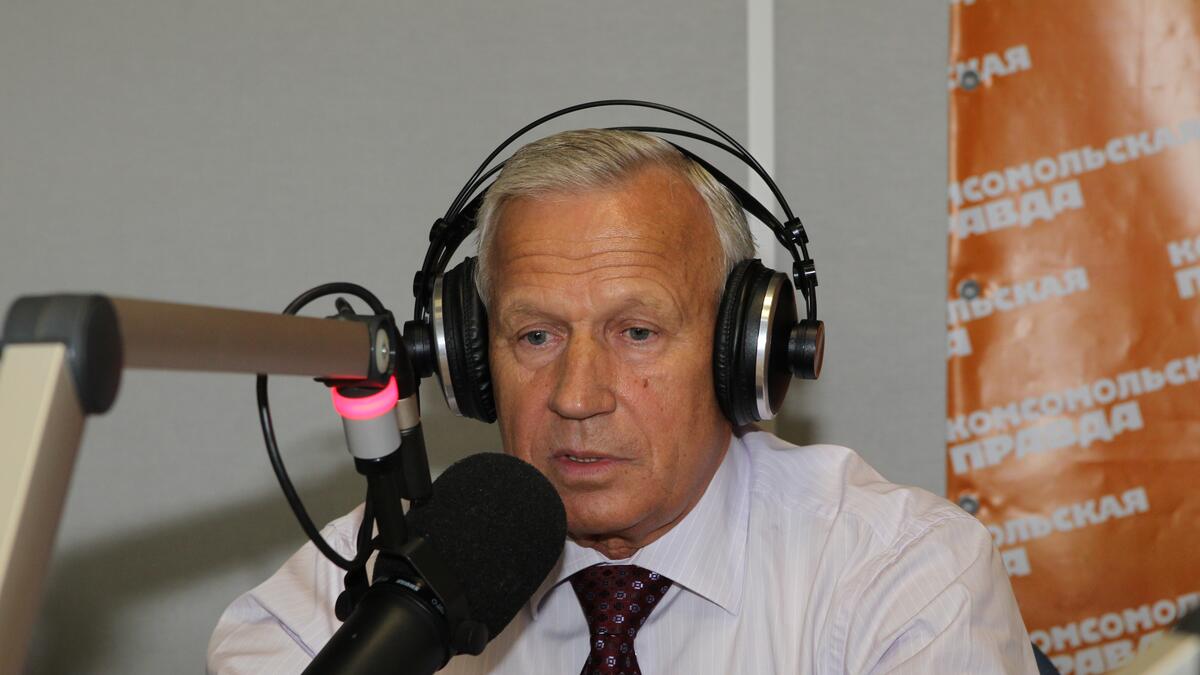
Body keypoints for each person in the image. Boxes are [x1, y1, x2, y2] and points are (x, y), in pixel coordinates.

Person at [207, 129, 1038, 673]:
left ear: (739, 354)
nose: (577, 396)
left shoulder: (902, 574)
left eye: (637, 332)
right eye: (536, 335)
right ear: (471, 360)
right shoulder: (392, 571)